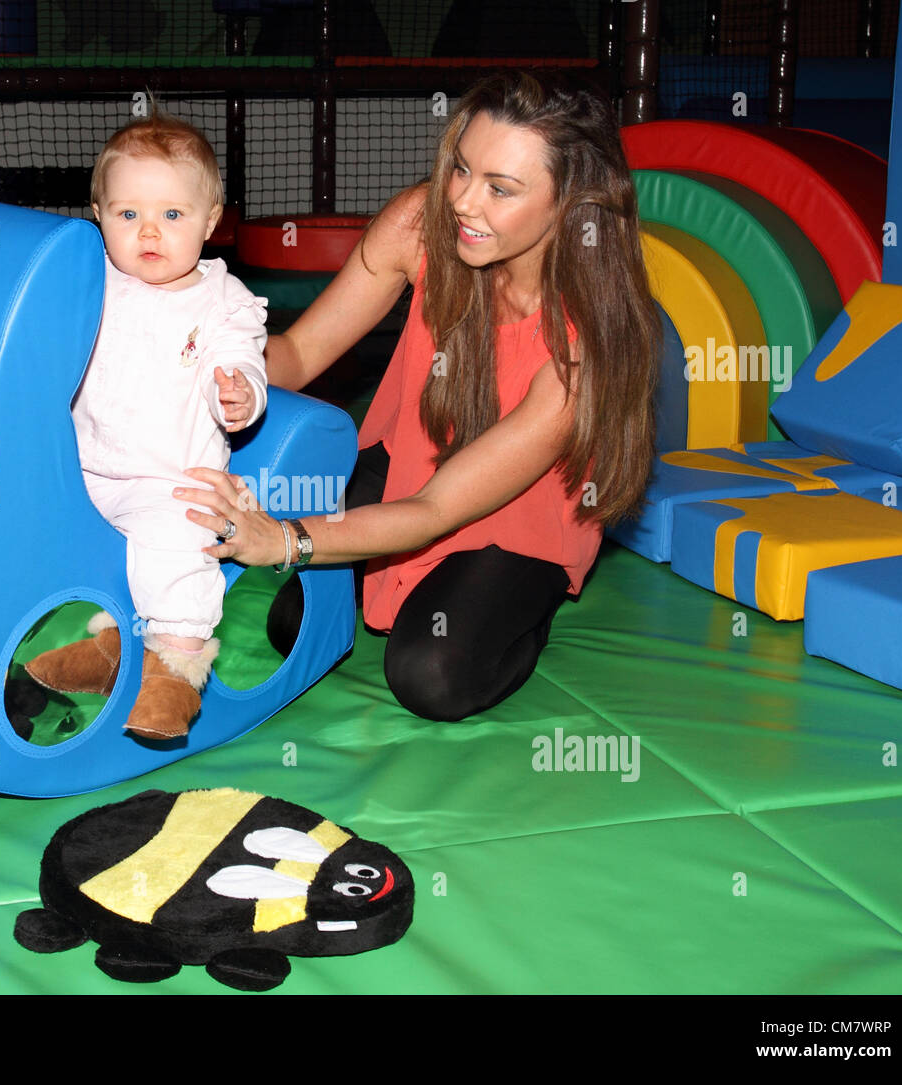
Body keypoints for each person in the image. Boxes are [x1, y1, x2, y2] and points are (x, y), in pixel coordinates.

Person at [174, 71, 660, 722]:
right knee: (296, 623)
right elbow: (297, 354)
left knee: (429, 673)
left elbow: (434, 510)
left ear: (571, 203)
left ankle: (528, 603)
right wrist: (203, 364)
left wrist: (287, 539)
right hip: (413, 458)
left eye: (501, 189)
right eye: (462, 168)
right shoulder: (419, 224)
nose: (463, 201)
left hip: (518, 512)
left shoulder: (580, 355)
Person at [25, 107, 269, 740]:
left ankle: (175, 675)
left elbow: (238, 356)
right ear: (99, 216)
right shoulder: (92, 283)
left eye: (172, 215)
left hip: (171, 479)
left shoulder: (221, 300)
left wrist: (240, 394)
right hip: (80, 468)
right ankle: (110, 650)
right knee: (25, 536)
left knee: (173, 555)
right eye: (128, 214)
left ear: (211, 222)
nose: (149, 232)